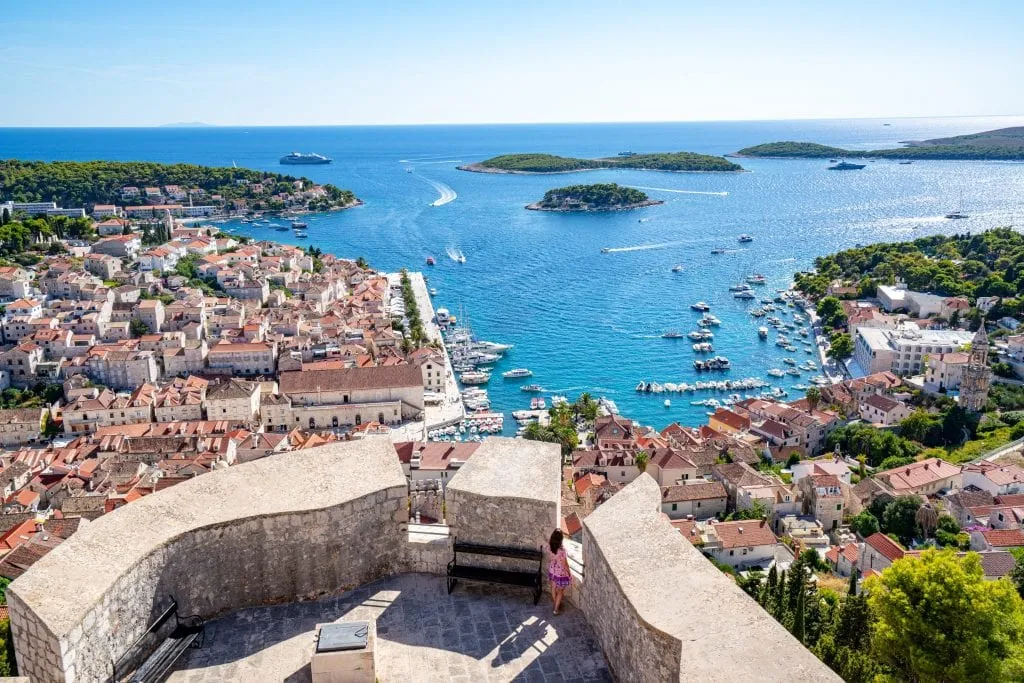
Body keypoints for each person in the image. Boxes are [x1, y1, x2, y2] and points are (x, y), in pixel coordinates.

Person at [547, 529, 571, 615]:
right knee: (560, 591)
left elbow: (550, 558)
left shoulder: (550, 546)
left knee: (553, 588)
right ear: (561, 539)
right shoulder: (562, 550)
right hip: (561, 573)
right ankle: (556, 609)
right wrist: (569, 573)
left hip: (552, 570)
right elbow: (565, 564)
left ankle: (555, 604)